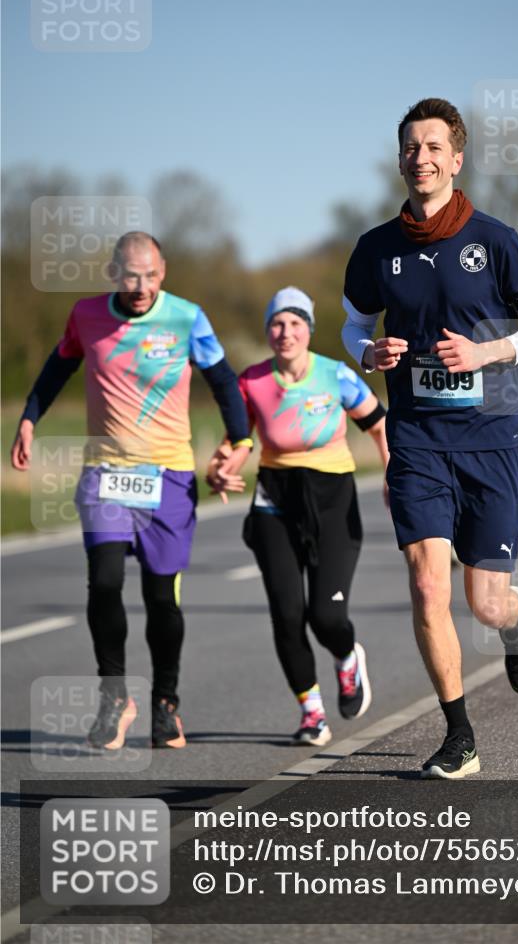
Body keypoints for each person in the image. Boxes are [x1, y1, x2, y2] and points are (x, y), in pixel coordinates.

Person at [342, 97, 518, 779]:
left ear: (455, 159)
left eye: (433, 146)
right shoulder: (376, 249)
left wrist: (489, 353)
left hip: (493, 433)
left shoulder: (494, 240)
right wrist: (365, 354)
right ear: (400, 157)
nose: (420, 157)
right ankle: (459, 735)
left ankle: (512, 616)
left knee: (481, 601)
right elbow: (353, 324)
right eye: (410, 146)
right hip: (416, 440)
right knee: (425, 585)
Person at [10, 232, 250, 750]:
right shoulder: (86, 316)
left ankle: (166, 702)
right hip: (106, 473)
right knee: (105, 581)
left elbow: (224, 381)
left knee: (161, 598)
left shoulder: (187, 317)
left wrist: (242, 439)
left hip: (168, 476)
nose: (140, 287)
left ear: (162, 273)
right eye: (131, 275)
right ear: (114, 273)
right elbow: (59, 366)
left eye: (151, 276)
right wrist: (30, 417)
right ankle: (114, 695)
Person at [209, 287, 389, 747]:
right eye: (276, 323)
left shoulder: (336, 376)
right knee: (287, 615)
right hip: (274, 501)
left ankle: (347, 659)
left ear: (308, 329)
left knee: (326, 616)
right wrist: (221, 465)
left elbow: (379, 426)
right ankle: (311, 712)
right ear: (267, 330)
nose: (285, 332)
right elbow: (238, 438)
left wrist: (394, 474)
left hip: (333, 502)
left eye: (294, 323)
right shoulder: (250, 381)